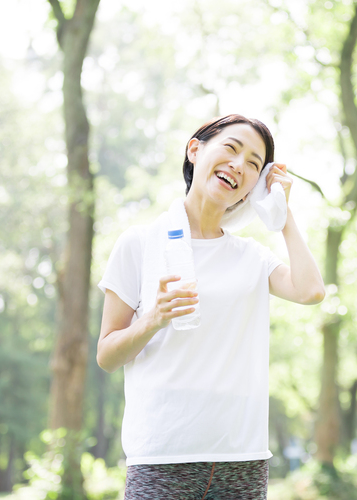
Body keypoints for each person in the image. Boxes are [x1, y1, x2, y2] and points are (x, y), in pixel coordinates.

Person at [96, 114, 325, 499]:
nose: (239, 165)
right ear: (195, 149)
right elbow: (106, 355)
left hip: (241, 457)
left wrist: (281, 212)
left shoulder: (251, 257)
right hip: (162, 457)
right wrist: (153, 318)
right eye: (231, 148)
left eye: (254, 163)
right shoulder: (138, 244)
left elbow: (310, 290)